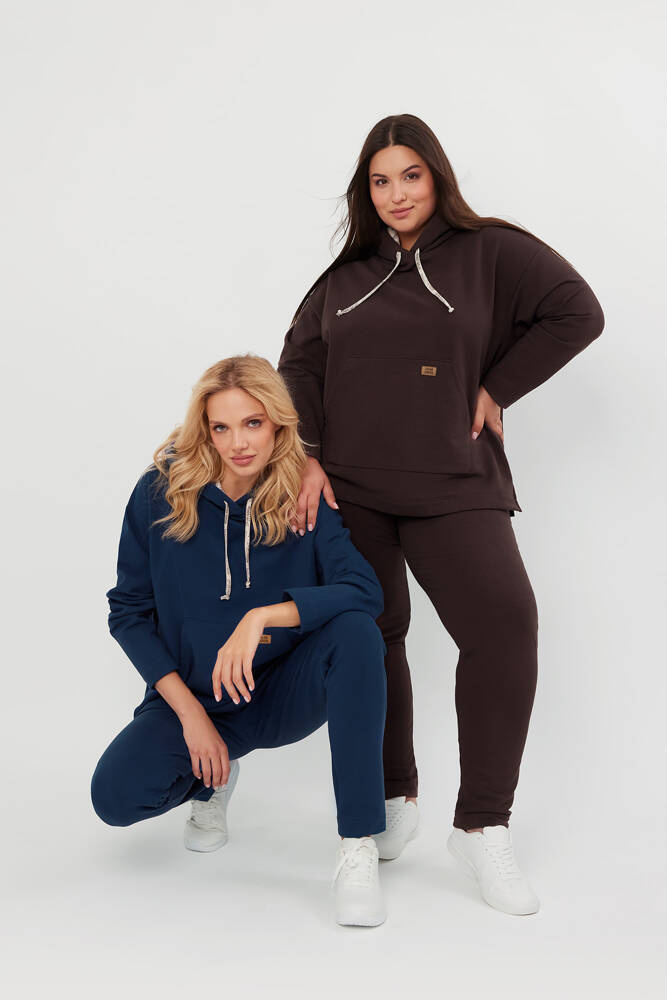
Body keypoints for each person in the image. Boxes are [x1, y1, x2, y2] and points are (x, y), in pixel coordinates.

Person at [277, 113, 605, 915]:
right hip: (352, 488)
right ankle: (392, 800)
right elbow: (298, 361)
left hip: (455, 481)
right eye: (379, 181)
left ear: (436, 176)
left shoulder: (490, 250)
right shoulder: (345, 275)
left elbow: (577, 311)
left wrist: (496, 386)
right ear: (365, 192)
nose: (396, 194)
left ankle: (482, 825)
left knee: (502, 628)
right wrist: (309, 454)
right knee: (372, 638)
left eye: (410, 175)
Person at [91, 355, 391, 927]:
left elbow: (364, 591)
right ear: (204, 430)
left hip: (278, 694)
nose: (239, 443)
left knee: (357, 633)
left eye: (253, 423)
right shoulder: (159, 494)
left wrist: (262, 618)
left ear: (277, 422)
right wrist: (191, 717)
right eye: (221, 427)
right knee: (115, 797)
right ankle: (211, 781)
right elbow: (128, 612)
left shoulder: (302, 496)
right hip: (195, 698)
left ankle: (358, 845)